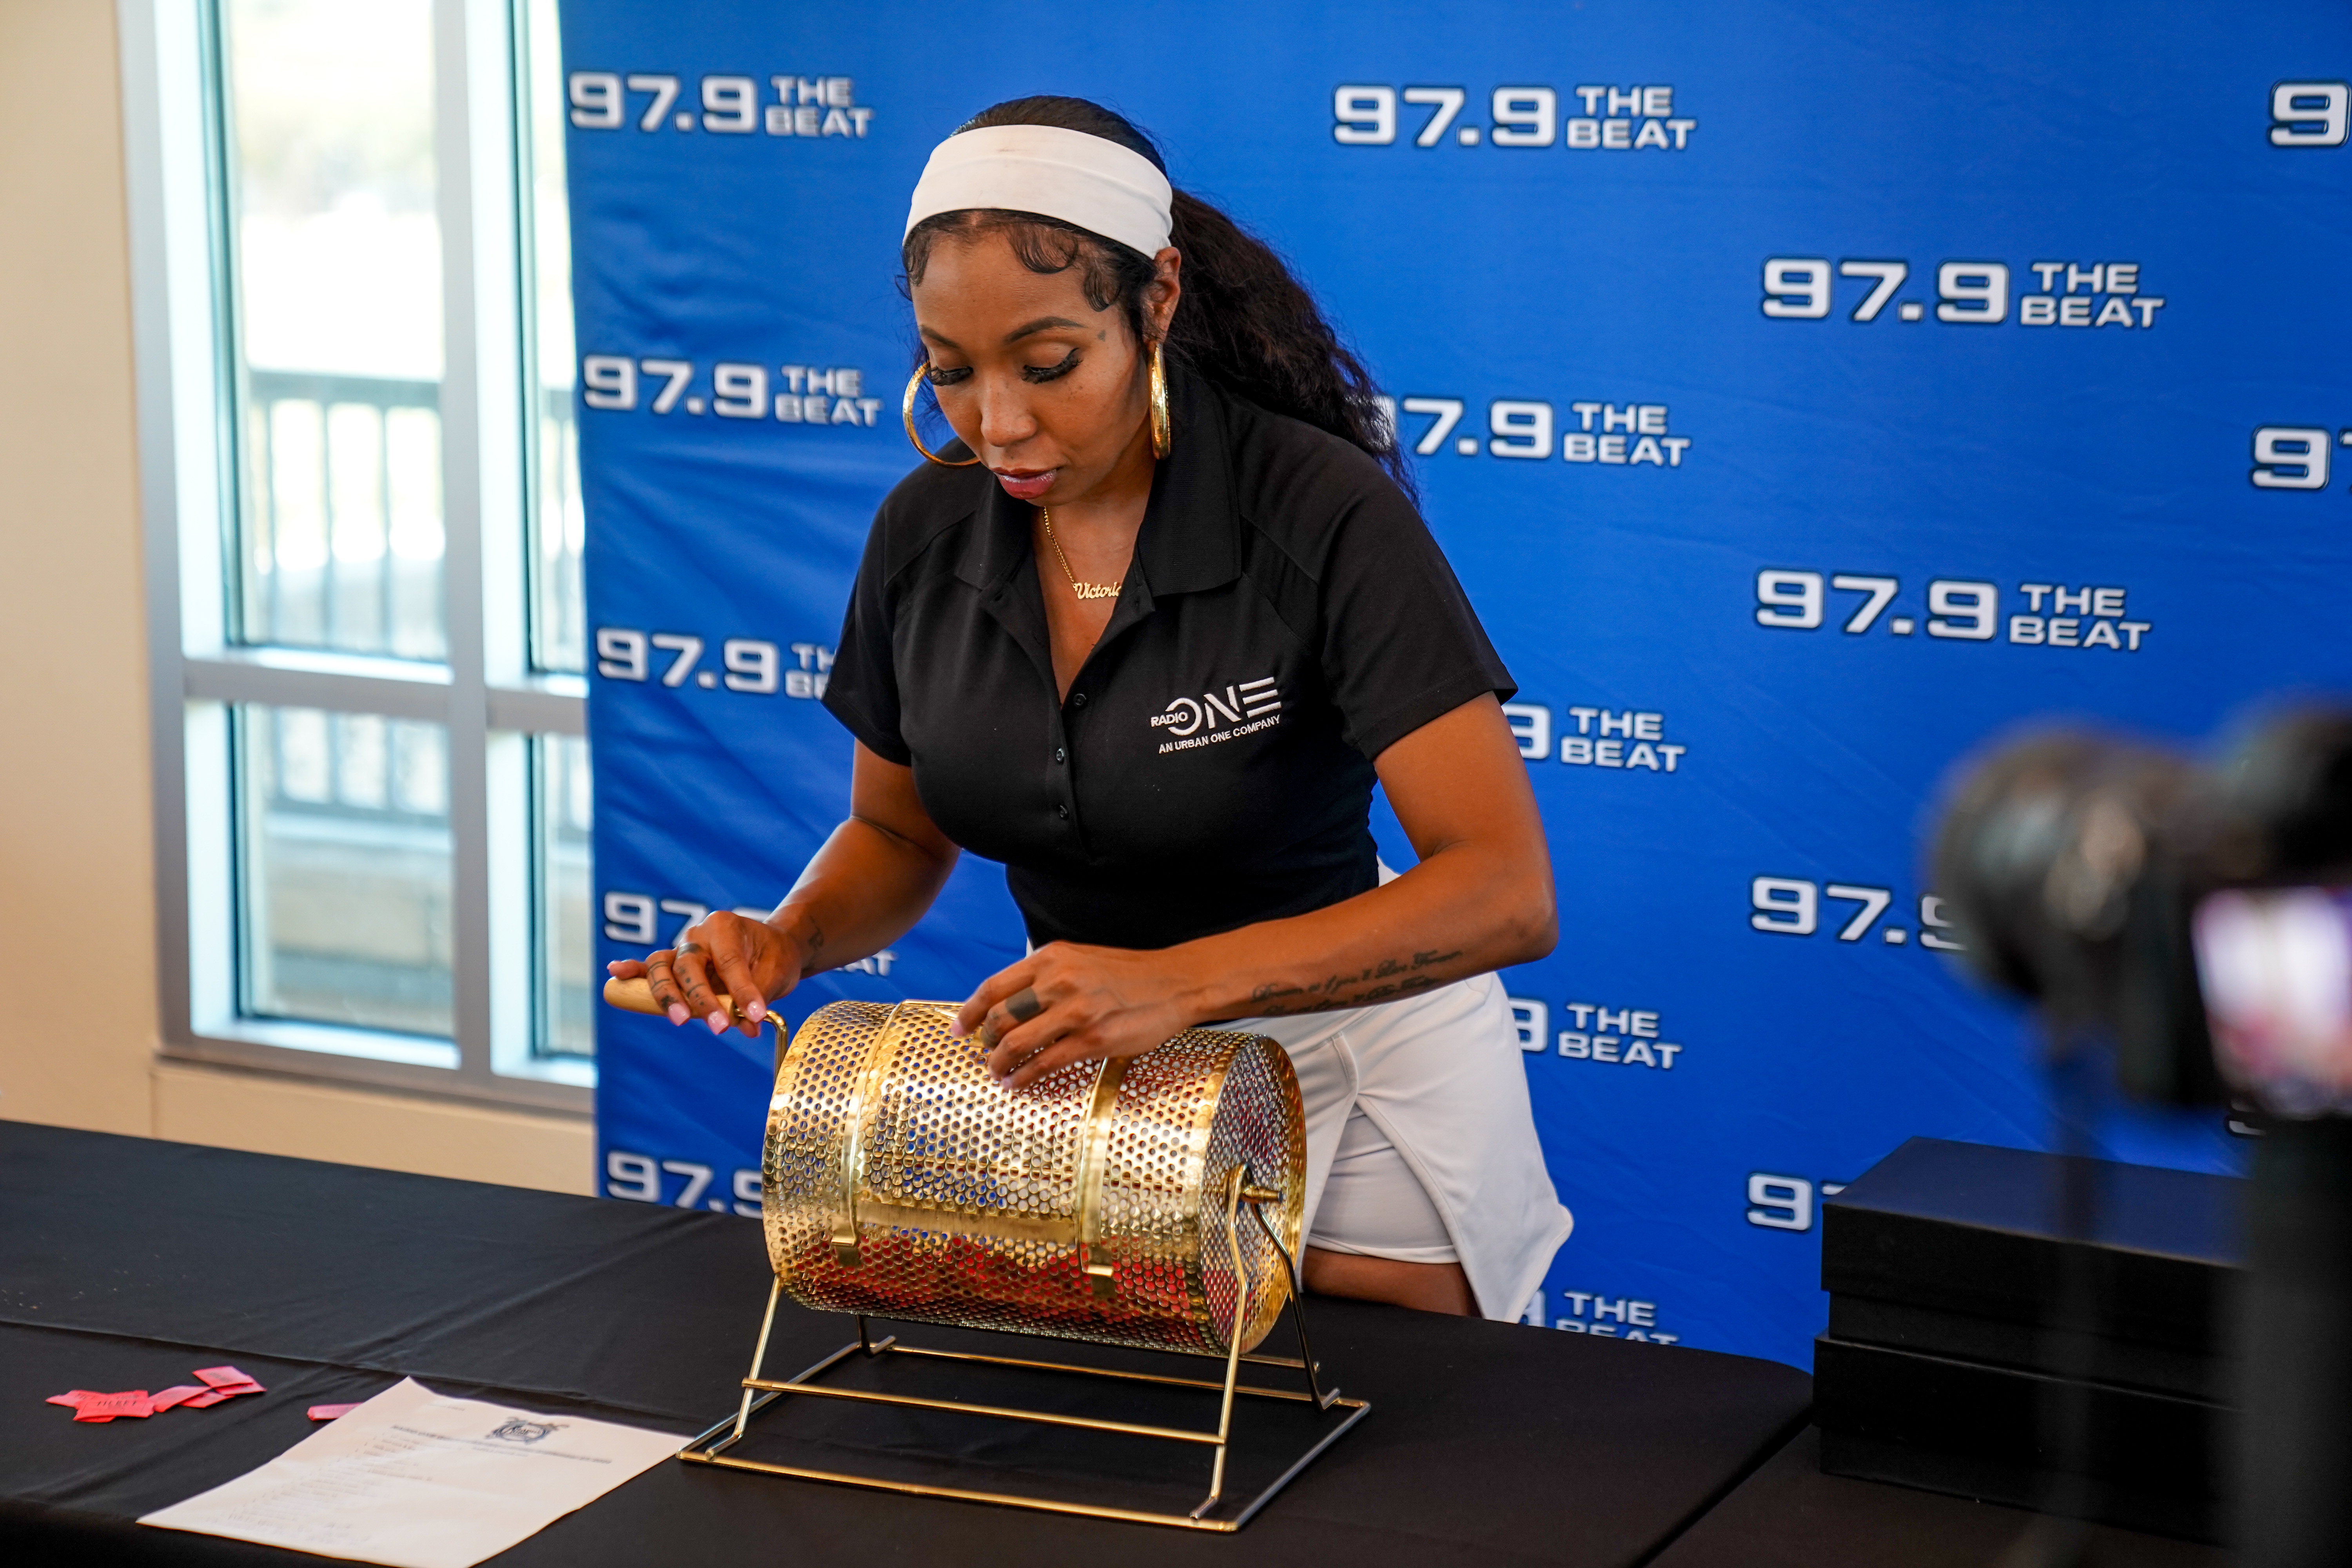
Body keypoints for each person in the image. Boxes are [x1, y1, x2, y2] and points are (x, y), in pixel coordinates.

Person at [609, 96, 1571, 1321]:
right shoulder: (924, 533)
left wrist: (1176, 986)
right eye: (950, 371)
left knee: (1371, 1431)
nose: (998, 423)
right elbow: (898, 833)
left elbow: (1504, 889)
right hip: (1095, 1090)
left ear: (1156, 300)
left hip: (1351, 1075)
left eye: (1048, 364)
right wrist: (789, 938)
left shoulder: (1317, 512)